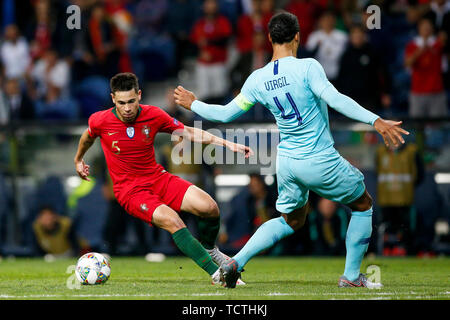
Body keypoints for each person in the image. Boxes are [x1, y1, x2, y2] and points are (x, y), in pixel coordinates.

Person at [174, 12, 409, 288]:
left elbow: (225, 114)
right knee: (363, 204)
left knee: (290, 220)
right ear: (297, 36)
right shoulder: (308, 67)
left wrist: (195, 104)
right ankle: (352, 276)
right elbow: (334, 98)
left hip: (286, 162)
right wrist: (375, 120)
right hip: (318, 157)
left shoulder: (257, 79)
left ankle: (235, 261)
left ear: (271, 39)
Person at [74, 72, 253, 285]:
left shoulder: (154, 115)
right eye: (122, 103)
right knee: (173, 221)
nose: (128, 108)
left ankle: (210, 250)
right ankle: (218, 274)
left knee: (209, 207)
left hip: (158, 178)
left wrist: (227, 144)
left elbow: (187, 132)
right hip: (130, 190)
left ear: (139, 95)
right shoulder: (100, 120)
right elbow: (87, 137)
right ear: (113, 99)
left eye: (131, 101)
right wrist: (78, 159)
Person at [405, 18, 448, 118]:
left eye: (428, 27)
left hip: (436, 91)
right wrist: (421, 50)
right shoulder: (412, 45)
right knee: (417, 126)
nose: (426, 29)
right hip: (418, 92)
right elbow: (407, 63)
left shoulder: (439, 44)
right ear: (419, 29)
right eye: (423, 27)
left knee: (438, 125)